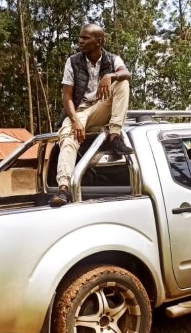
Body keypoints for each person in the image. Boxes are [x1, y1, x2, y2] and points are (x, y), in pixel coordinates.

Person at [50, 24, 133, 207]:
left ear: (99, 41)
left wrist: (110, 75)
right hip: (79, 111)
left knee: (123, 83)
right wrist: (75, 121)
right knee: (68, 138)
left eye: (85, 38)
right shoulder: (72, 61)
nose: (80, 41)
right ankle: (63, 189)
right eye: (80, 37)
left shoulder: (112, 59)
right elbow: (67, 97)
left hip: (101, 108)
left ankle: (114, 135)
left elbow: (127, 73)